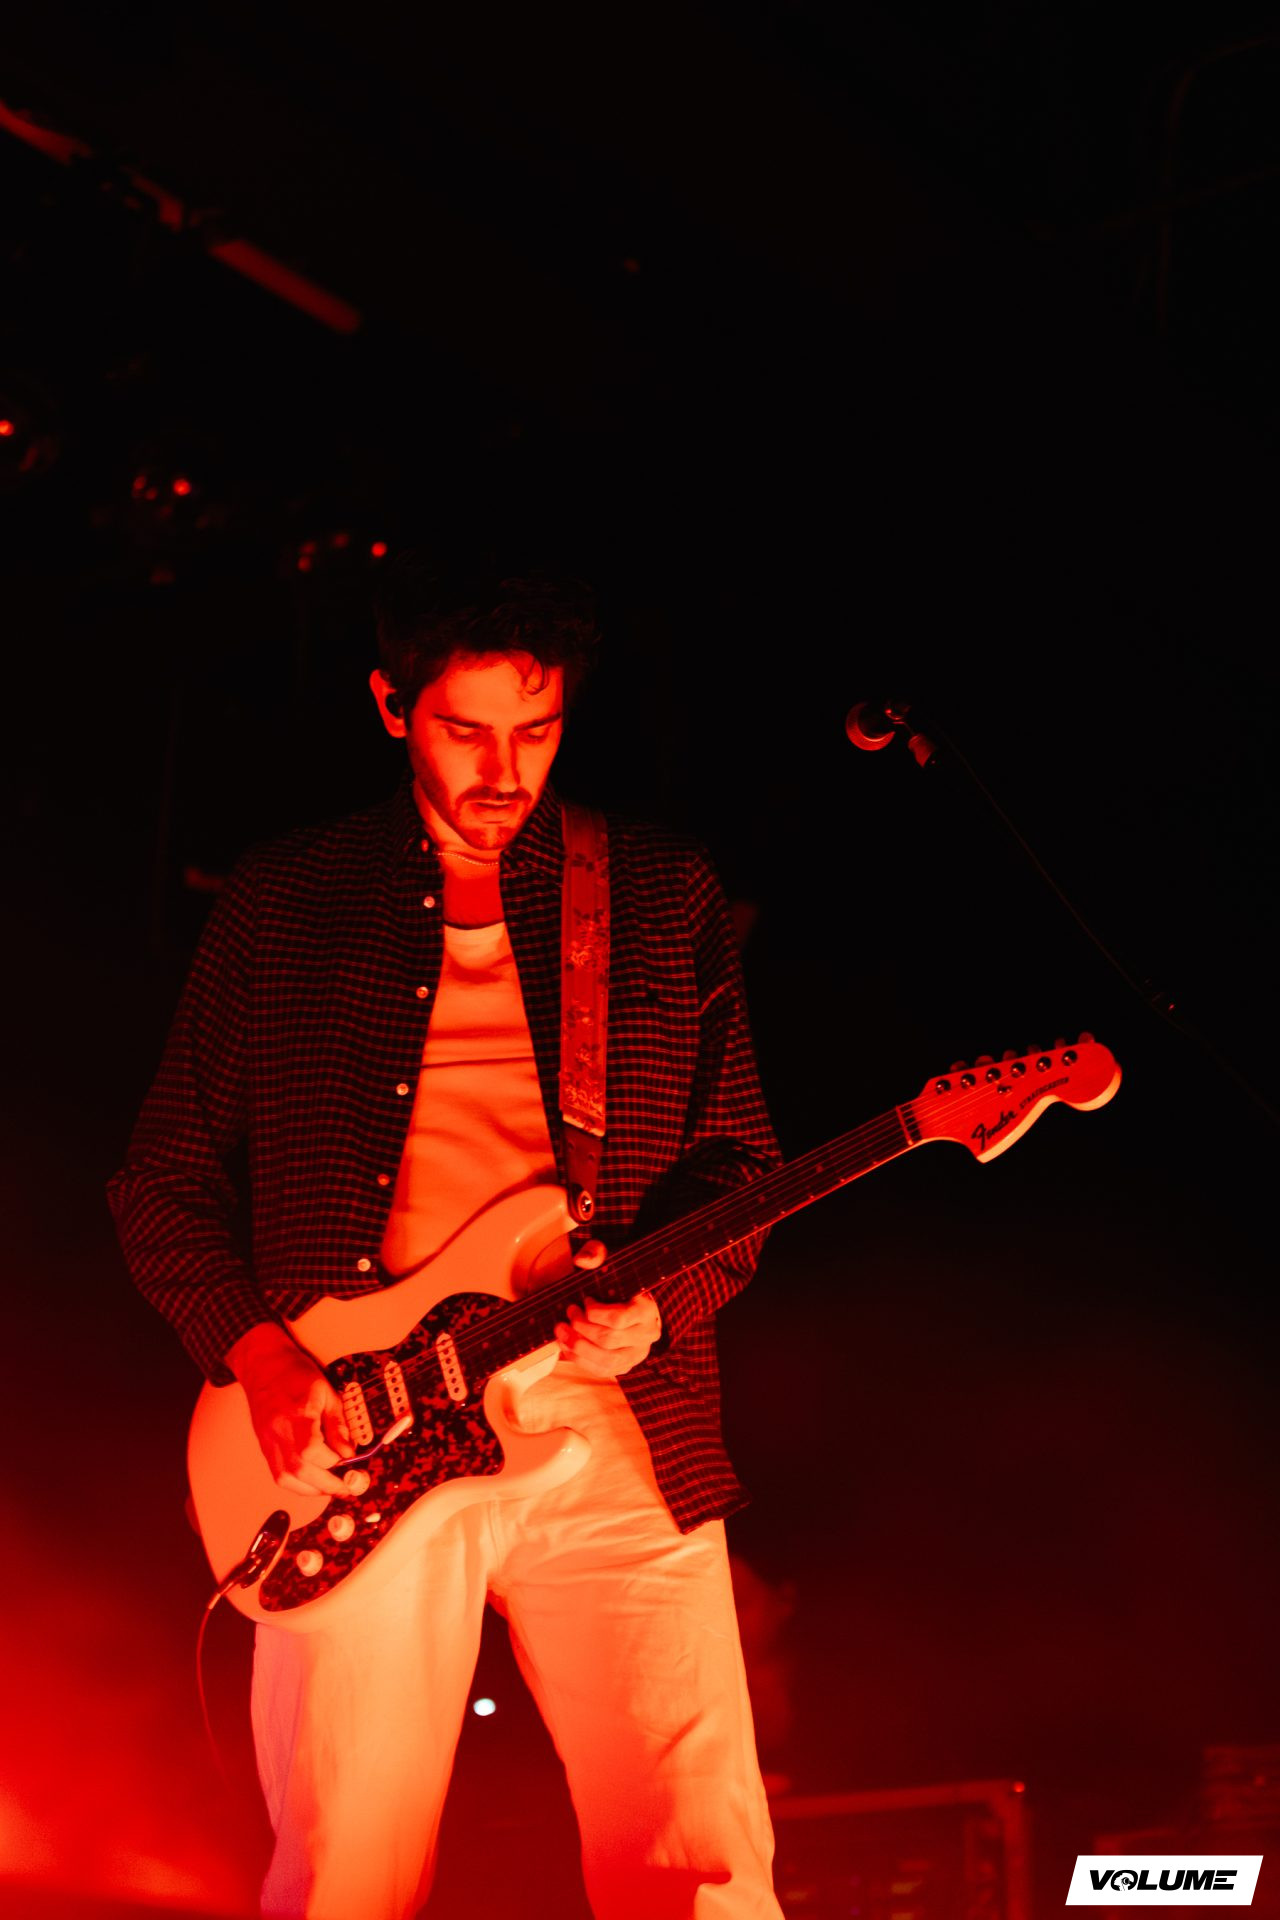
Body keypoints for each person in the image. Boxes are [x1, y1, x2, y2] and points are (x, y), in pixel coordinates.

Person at [108, 561, 785, 1920]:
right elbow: (161, 1180)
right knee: (342, 1869)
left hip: (616, 1410)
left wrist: (663, 1304)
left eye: (536, 731)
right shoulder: (287, 898)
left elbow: (739, 1169)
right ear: (390, 705)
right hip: (357, 1423)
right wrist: (261, 1358)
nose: (503, 772)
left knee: (698, 1859)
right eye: (465, 730)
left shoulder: (657, 890)